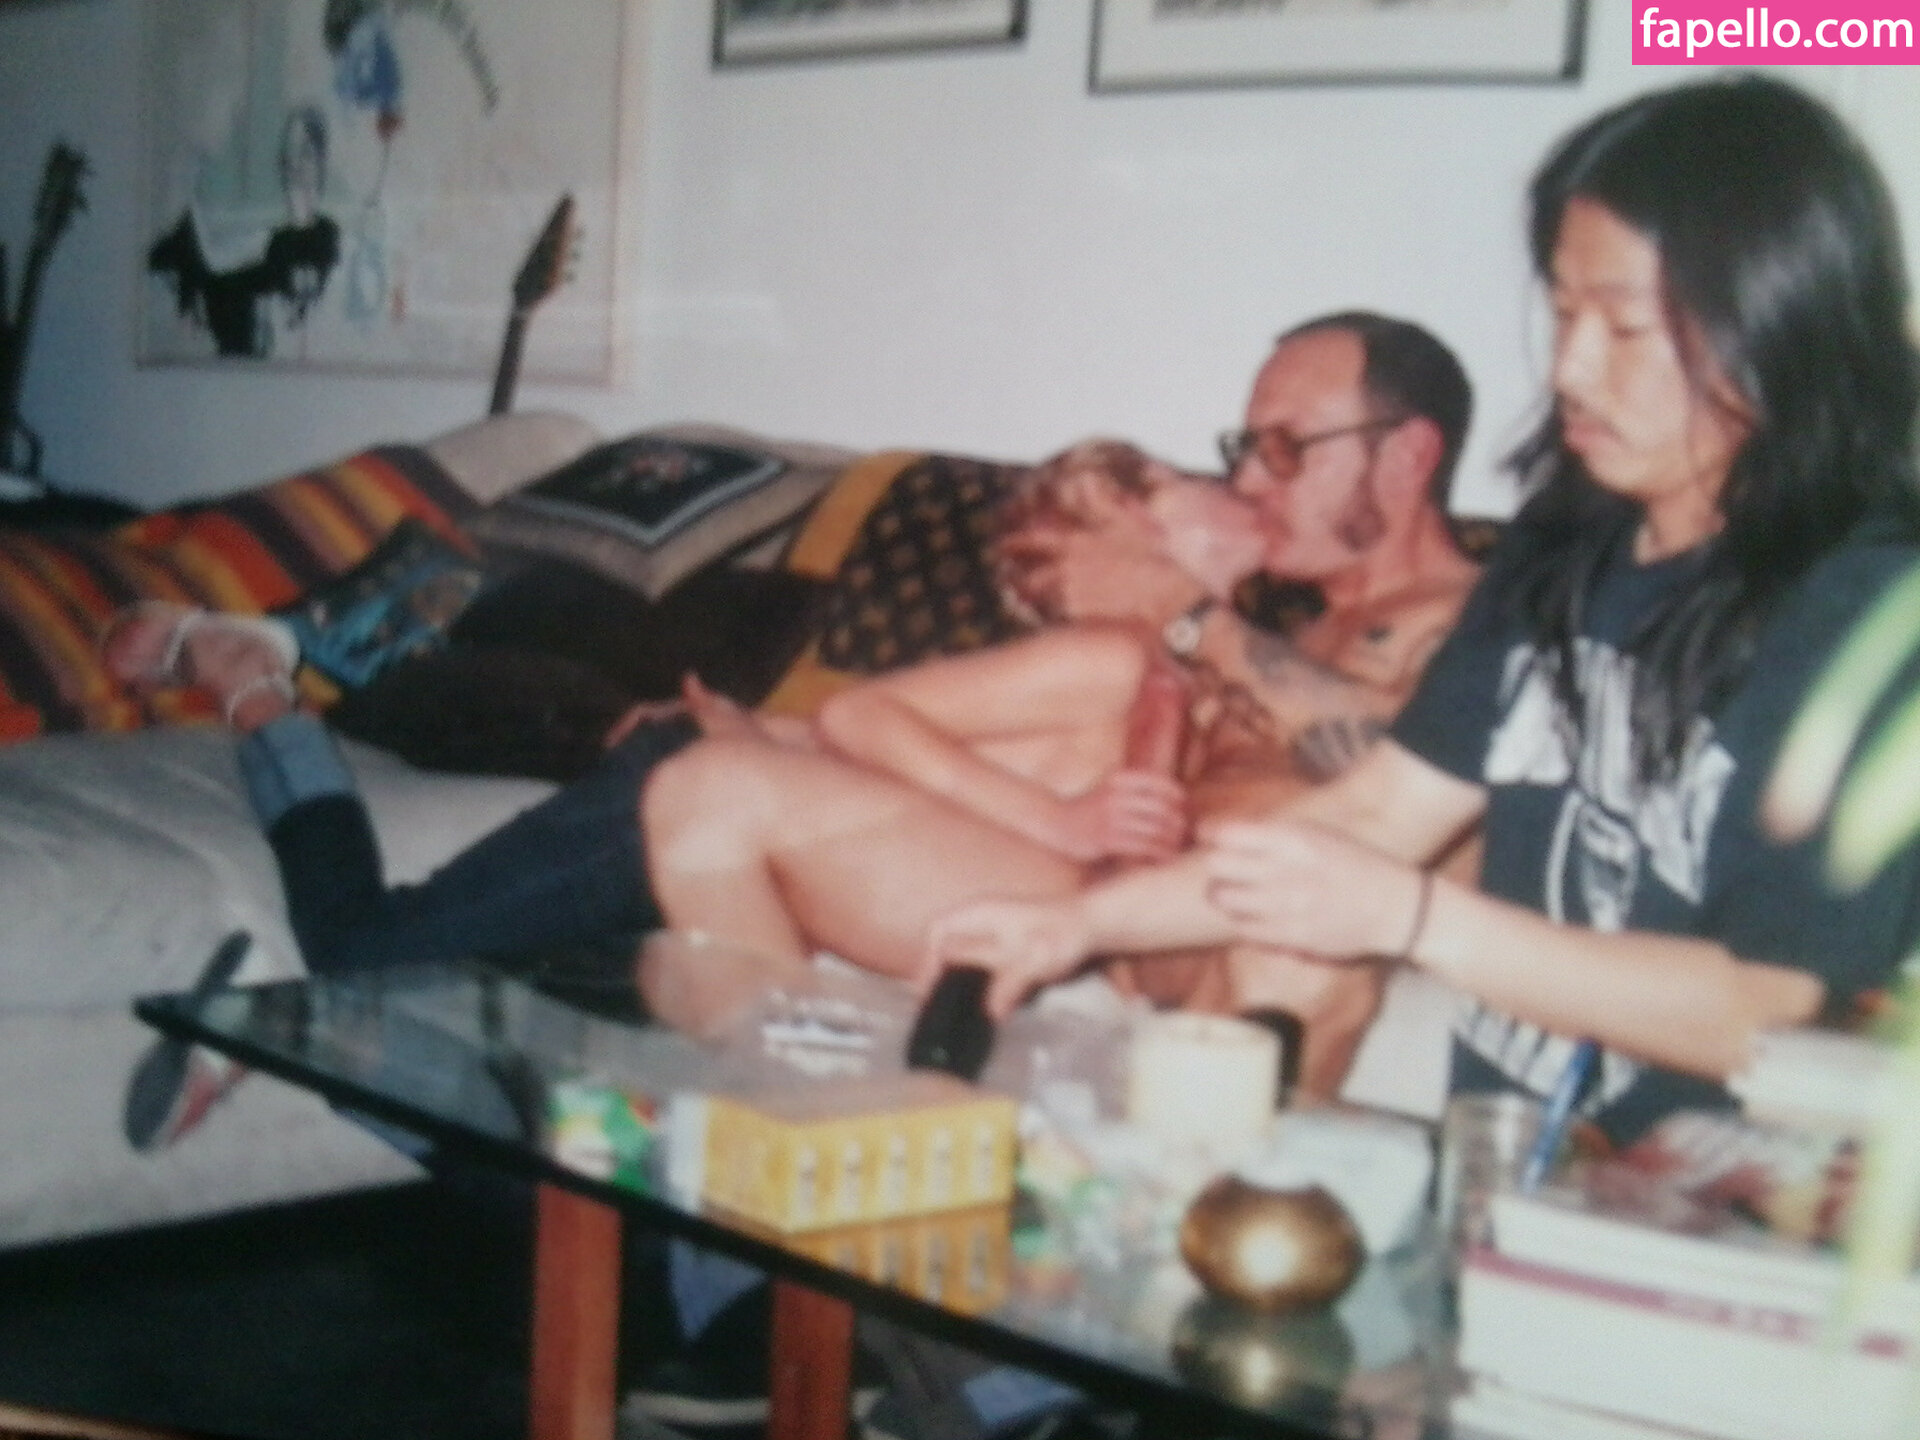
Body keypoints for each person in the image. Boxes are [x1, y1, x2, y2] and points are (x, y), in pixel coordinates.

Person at [924, 75, 1920, 1148]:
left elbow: (1775, 1012)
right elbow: (1371, 815)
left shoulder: (1869, 613)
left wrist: (1417, 917)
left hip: (1712, 1200)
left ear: (1775, 327)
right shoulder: (1562, 545)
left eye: (1625, 326)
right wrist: (1073, 924)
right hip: (1505, 1157)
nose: (1570, 368)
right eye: (1563, 312)